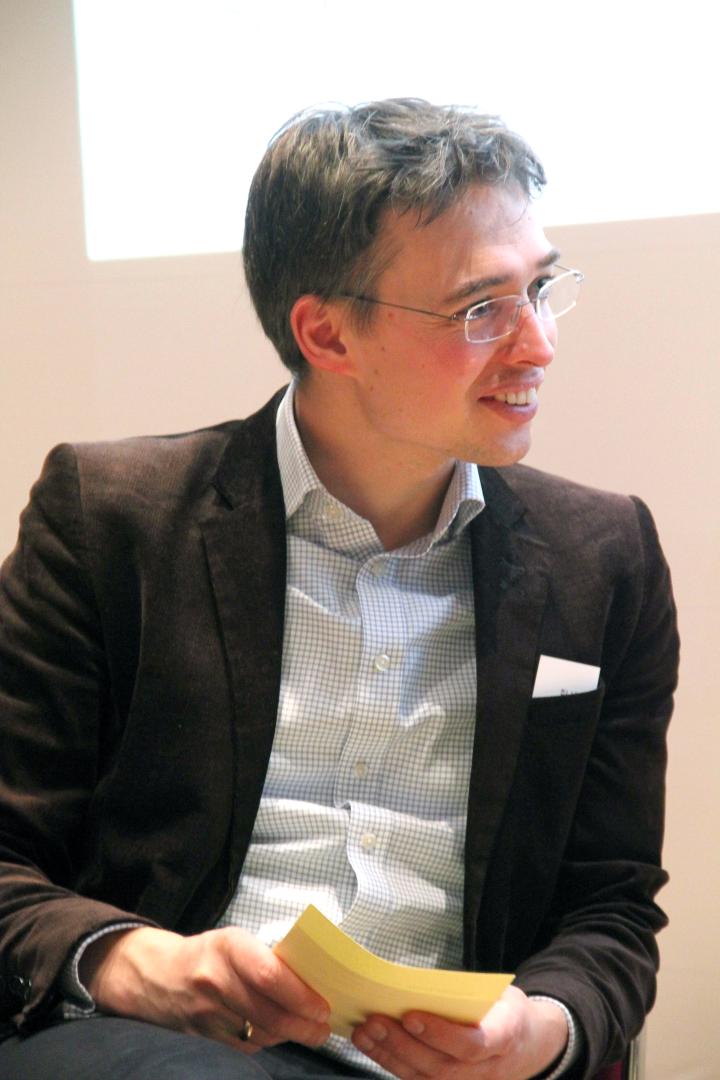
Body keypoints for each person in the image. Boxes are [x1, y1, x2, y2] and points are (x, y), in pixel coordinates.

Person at [0, 100, 678, 1080]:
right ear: (326, 334)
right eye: (481, 309)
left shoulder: (603, 558)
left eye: (540, 289)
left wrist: (539, 1032)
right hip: (169, 1050)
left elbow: (610, 906)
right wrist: (135, 962)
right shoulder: (111, 521)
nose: (538, 345)